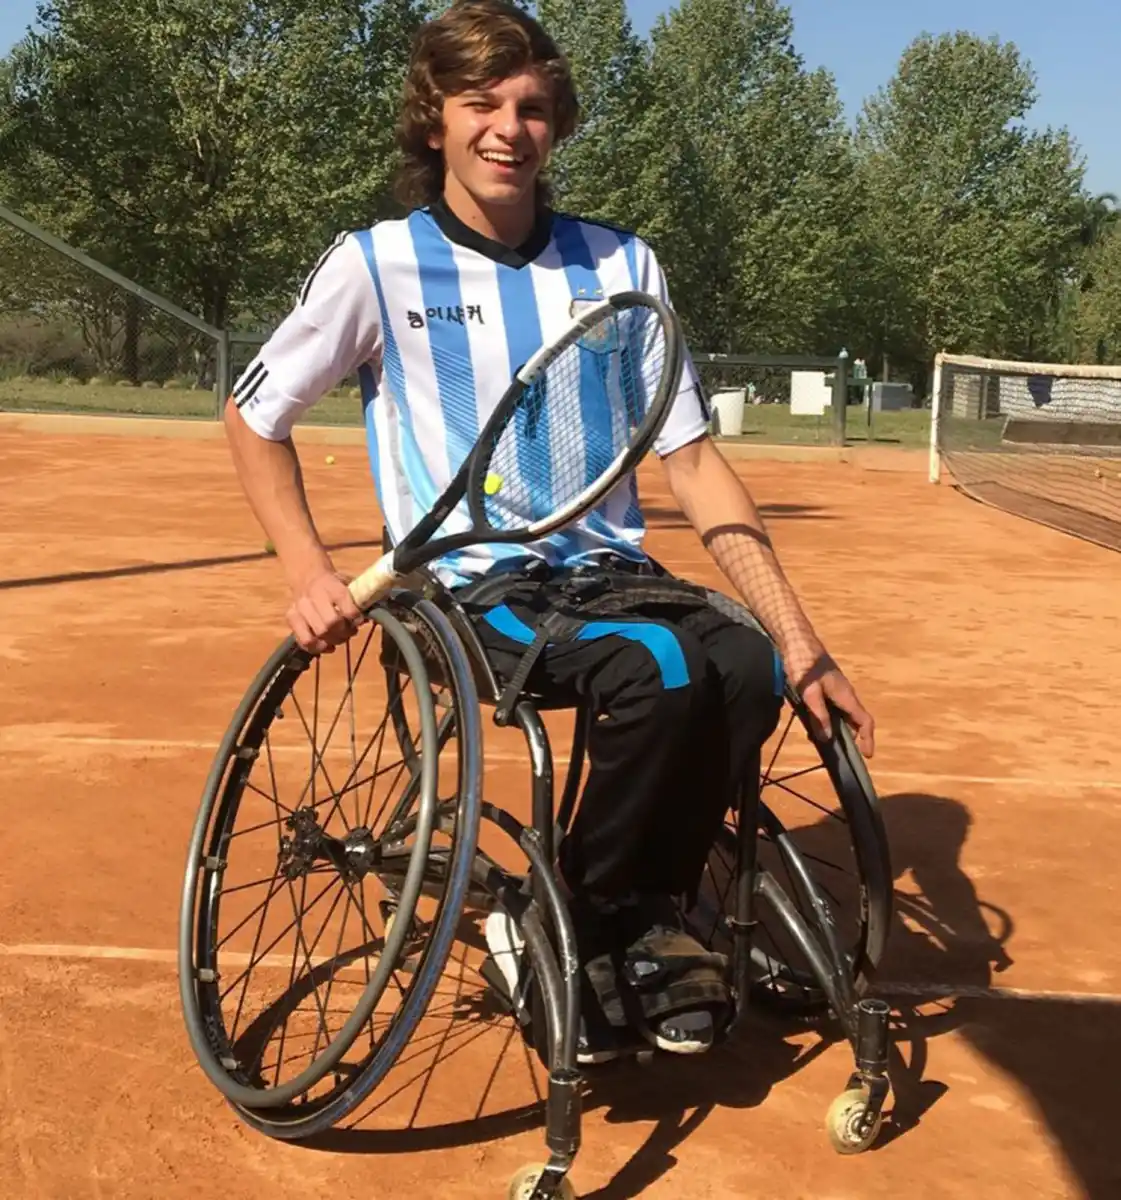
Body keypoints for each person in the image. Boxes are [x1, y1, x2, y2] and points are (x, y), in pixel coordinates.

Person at [223, 0, 875, 1064]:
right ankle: (581, 922)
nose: (506, 128)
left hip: (605, 577)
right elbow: (254, 420)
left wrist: (800, 640)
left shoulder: (621, 270)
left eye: (530, 107)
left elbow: (695, 462)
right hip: (464, 590)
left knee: (744, 664)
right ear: (432, 118)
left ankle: (635, 913)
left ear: (556, 126)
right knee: (659, 667)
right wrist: (307, 571)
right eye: (479, 103)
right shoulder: (377, 265)